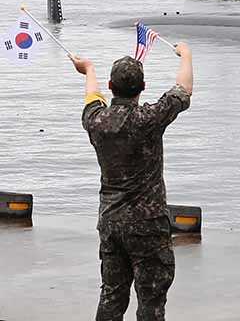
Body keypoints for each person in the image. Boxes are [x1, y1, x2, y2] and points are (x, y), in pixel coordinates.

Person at [72, 44, 194, 320]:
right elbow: (183, 90)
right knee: (151, 301)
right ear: (143, 87)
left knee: (112, 296)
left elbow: (92, 97)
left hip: (111, 222)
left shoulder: (96, 120)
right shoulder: (148, 118)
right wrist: (186, 56)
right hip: (147, 226)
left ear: (111, 85)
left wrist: (88, 69)